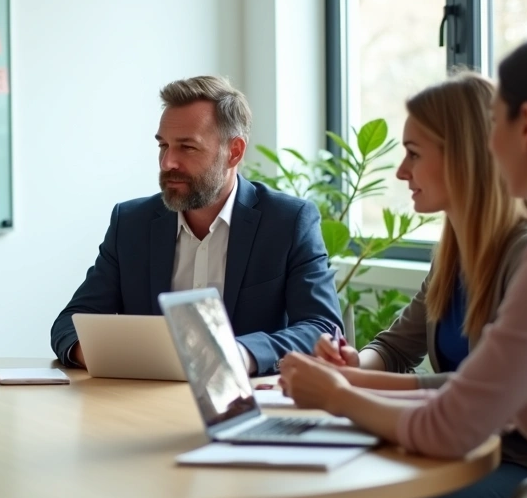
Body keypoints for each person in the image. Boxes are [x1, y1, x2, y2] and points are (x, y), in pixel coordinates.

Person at [280, 26, 527, 498]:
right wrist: (349, 381)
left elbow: (451, 424)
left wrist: (337, 392)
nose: (489, 141)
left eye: (495, 120)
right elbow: (460, 396)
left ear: (525, 125)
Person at [311, 73, 527, 498]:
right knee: (349, 493)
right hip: (466, 448)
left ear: (464, 157)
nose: (401, 172)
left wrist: (344, 390)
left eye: (413, 154)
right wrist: (353, 364)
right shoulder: (452, 251)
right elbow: (395, 347)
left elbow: (480, 388)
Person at [51, 76, 342, 375]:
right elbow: (69, 324)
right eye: (163, 146)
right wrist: (103, 354)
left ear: (235, 152)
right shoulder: (131, 224)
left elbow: (322, 329)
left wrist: (238, 355)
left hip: (246, 403)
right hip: (142, 402)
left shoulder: (288, 222)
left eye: (187, 147)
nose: (168, 163)